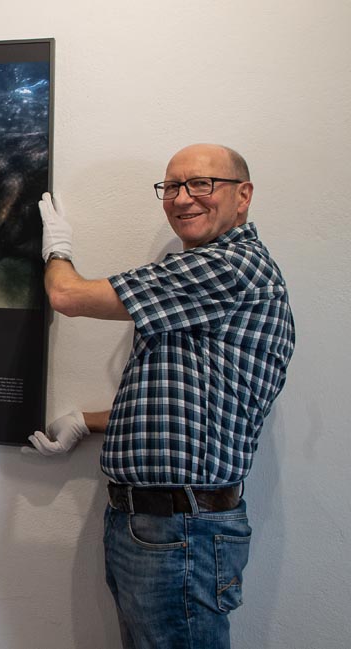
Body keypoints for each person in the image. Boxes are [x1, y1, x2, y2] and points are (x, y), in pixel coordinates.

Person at [28, 144, 295, 648]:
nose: (182, 198)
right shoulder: (203, 280)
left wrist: (57, 251)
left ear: (244, 196)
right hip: (158, 527)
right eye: (171, 187)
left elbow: (68, 296)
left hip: (181, 533)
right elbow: (181, 402)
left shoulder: (228, 268)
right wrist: (89, 420)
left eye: (201, 184)